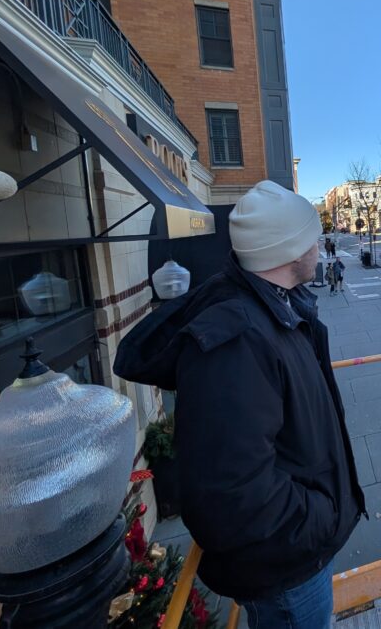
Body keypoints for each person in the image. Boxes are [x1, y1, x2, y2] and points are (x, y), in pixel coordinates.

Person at [114, 180, 365, 629]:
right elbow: (231, 497)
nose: (319, 245)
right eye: (311, 236)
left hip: (296, 556)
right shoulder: (236, 340)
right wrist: (321, 519)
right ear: (288, 251)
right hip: (288, 572)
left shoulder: (272, 309)